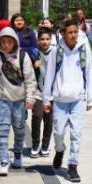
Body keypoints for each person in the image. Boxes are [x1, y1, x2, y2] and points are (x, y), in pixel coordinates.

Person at [42, 18, 92, 183]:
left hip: (77, 99)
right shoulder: (56, 52)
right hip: (60, 99)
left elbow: (89, 73)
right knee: (58, 132)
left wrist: (89, 98)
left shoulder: (83, 50)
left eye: (75, 32)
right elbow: (49, 76)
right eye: (70, 33)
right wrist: (46, 99)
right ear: (63, 33)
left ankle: (73, 166)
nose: (73, 36)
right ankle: (59, 149)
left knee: (76, 133)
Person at [0, 25, 37, 176]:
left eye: (10, 42)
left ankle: (18, 152)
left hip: (19, 100)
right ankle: (3, 160)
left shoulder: (23, 57)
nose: (7, 45)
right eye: (4, 42)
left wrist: (30, 98)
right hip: (2, 100)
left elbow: (30, 79)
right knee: (3, 130)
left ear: (15, 42)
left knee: (19, 129)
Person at [30, 27, 56, 157]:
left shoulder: (55, 53)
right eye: (42, 39)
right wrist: (33, 65)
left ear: (51, 40)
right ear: (38, 40)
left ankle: (45, 146)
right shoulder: (34, 53)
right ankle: (35, 144)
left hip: (52, 93)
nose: (45, 42)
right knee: (36, 117)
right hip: (38, 93)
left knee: (49, 120)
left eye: (47, 39)